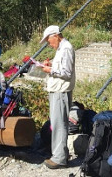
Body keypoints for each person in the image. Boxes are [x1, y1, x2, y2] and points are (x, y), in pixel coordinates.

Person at [40, 25, 75, 170]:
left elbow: (66, 72)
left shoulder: (66, 48)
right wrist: (52, 65)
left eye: (49, 40)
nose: (49, 43)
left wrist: (50, 70)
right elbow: (62, 67)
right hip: (58, 90)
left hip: (61, 91)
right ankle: (62, 154)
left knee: (59, 124)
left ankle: (59, 158)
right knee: (58, 123)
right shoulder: (62, 48)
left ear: (56, 35)